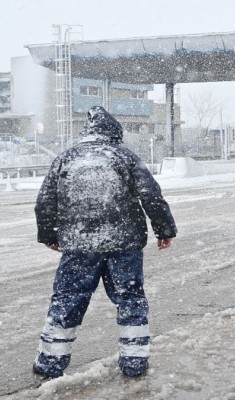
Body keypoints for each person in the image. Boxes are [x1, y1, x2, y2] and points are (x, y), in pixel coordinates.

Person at [33, 106, 177, 378]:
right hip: (124, 246)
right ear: (114, 133)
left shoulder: (66, 159)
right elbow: (151, 195)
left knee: (67, 301)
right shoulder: (124, 157)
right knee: (130, 300)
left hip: (78, 247)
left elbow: (45, 201)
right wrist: (164, 229)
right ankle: (134, 363)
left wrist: (49, 236)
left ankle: (50, 363)